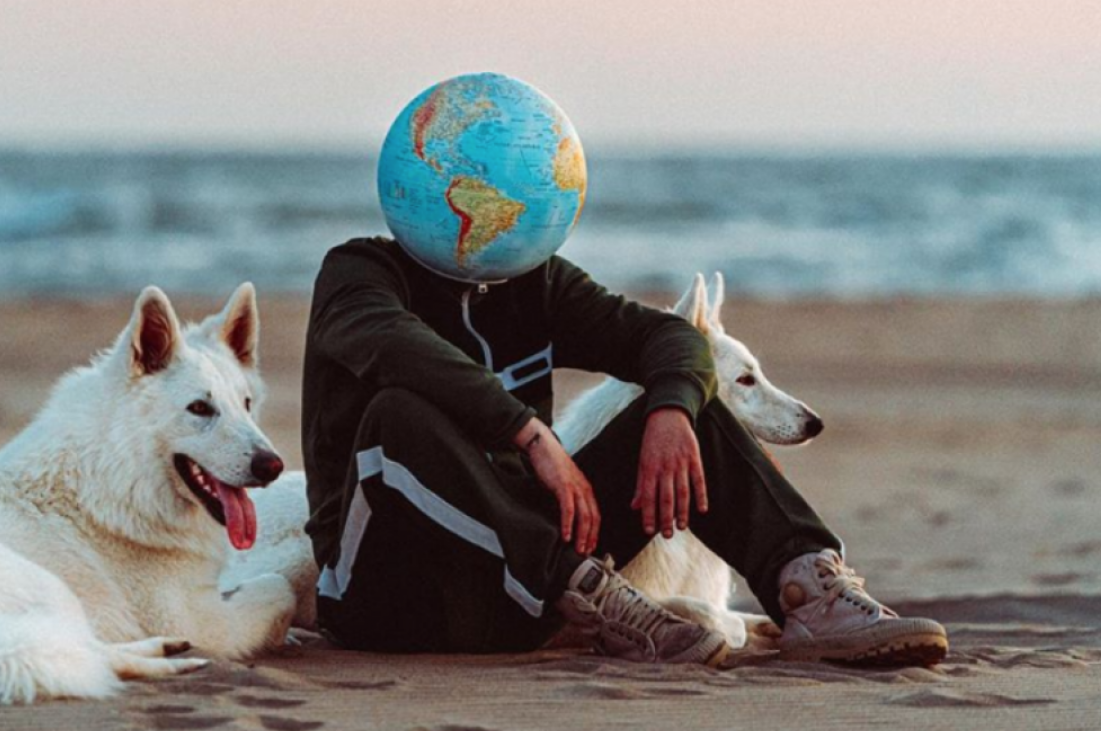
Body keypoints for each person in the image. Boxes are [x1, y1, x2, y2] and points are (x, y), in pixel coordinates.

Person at [300, 77, 948, 667]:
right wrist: (530, 432)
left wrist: (672, 409)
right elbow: (393, 344)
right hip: (392, 600)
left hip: (521, 593)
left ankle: (808, 589)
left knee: (693, 399)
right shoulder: (358, 276)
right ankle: (590, 594)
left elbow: (667, 336)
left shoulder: (535, 284)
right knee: (398, 415)